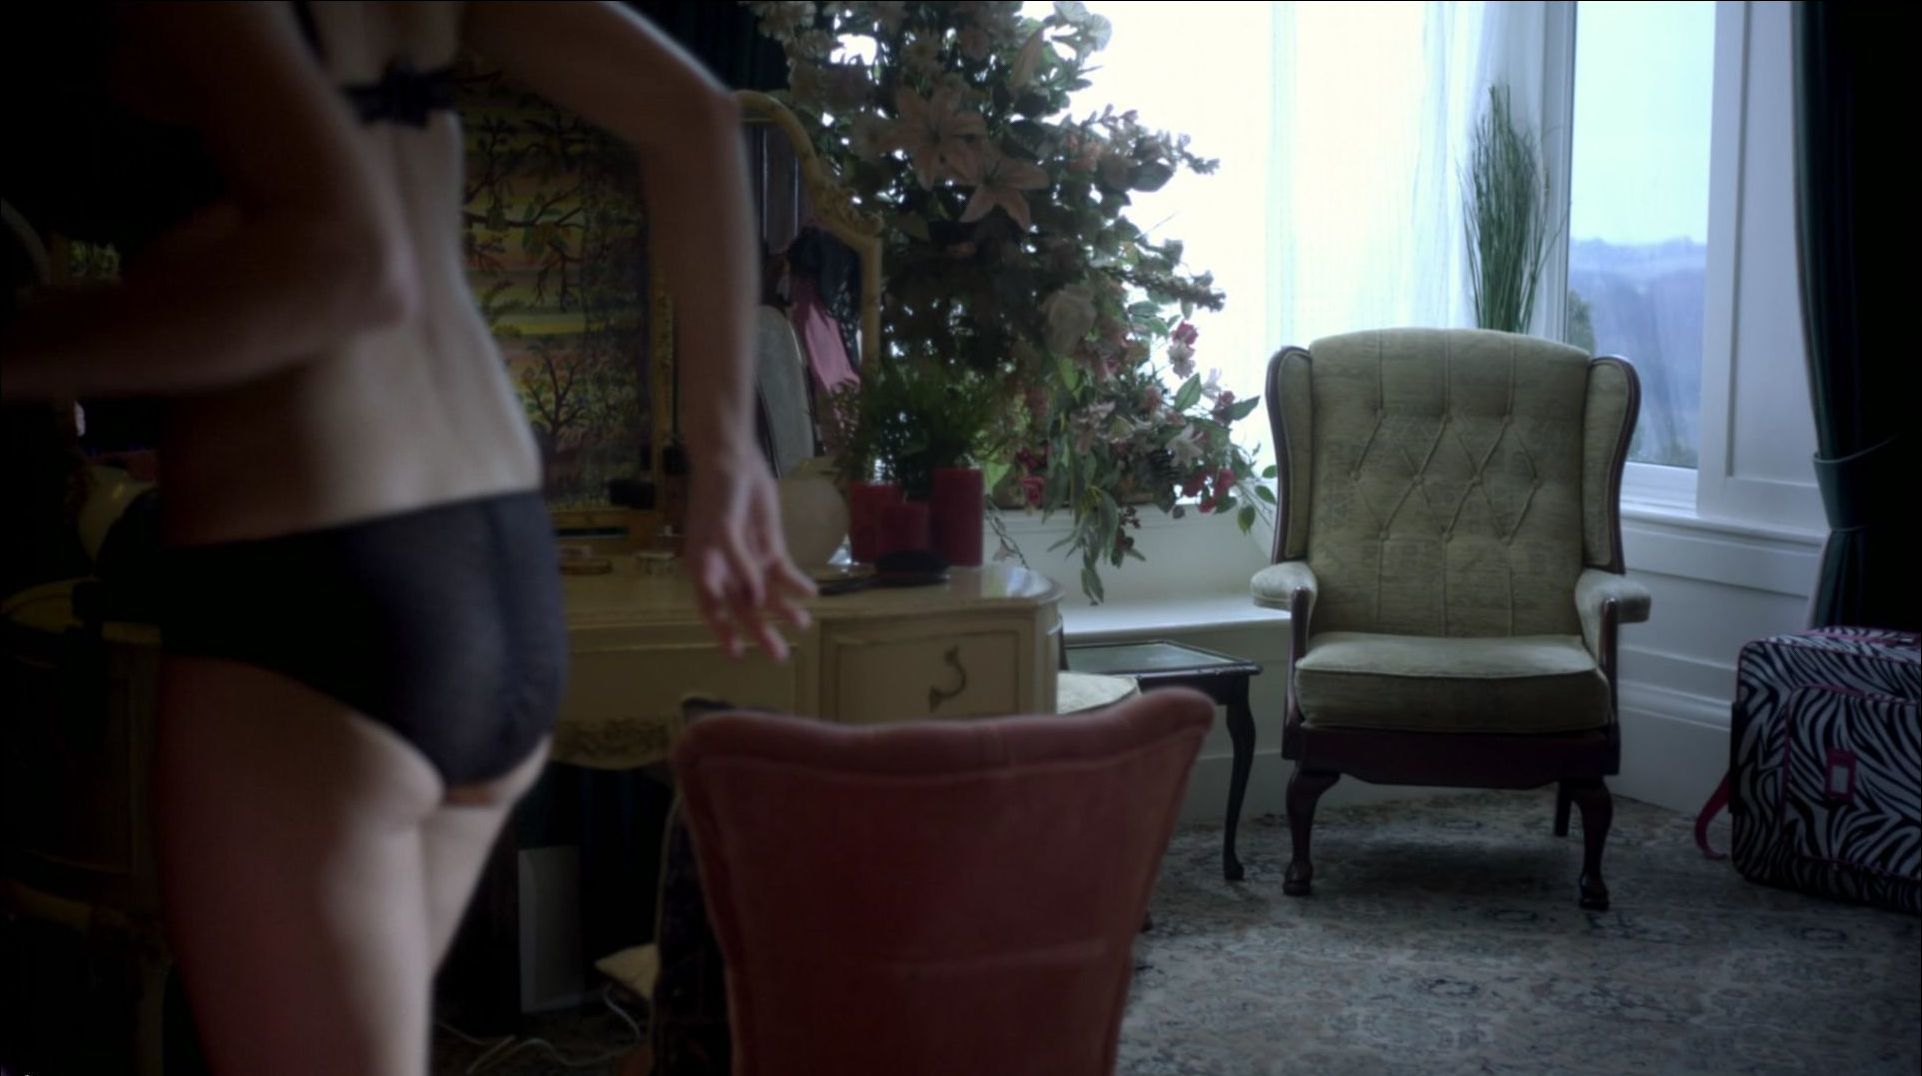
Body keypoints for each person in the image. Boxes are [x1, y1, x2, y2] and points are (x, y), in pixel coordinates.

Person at [0, 3, 813, 1071]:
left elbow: (342, 260)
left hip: (311, 581)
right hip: (490, 562)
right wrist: (724, 451)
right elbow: (690, 112)